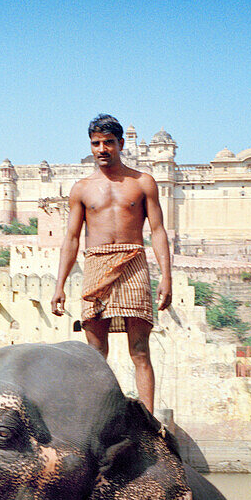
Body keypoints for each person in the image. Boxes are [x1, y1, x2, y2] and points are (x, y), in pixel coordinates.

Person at [51, 114, 172, 413]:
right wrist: (60, 285)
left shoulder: (143, 183)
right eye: (96, 143)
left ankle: (147, 419)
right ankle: (93, 414)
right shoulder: (82, 188)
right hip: (96, 264)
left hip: (133, 261)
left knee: (140, 350)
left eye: (108, 143)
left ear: (120, 143)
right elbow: (71, 238)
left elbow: (157, 231)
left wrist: (166, 278)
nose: (102, 149)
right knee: (95, 351)